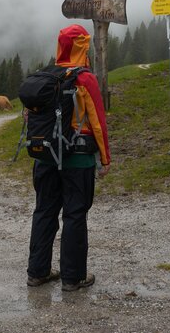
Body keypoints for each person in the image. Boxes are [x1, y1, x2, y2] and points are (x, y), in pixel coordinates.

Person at [27, 24, 111, 292]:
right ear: (82, 47)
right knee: (74, 215)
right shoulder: (84, 79)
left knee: (44, 211)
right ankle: (72, 278)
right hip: (78, 160)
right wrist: (105, 159)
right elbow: (97, 121)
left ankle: (37, 272)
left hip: (45, 158)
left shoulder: (45, 77)